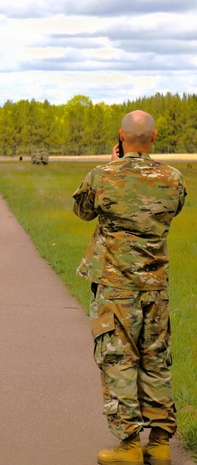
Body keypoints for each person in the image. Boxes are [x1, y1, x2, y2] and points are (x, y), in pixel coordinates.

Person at [73, 110, 187, 465]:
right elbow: (173, 211)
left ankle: (128, 443)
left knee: (119, 360)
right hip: (155, 286)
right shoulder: (173, 178)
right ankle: (161, 443)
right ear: (153, 139)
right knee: (156, 360)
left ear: (121, 137)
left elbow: (83, 211)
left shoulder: (102, 175)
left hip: (115, 285)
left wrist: (113, 166)